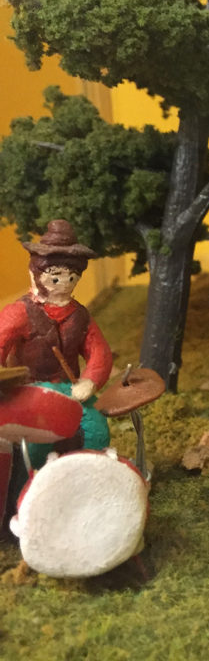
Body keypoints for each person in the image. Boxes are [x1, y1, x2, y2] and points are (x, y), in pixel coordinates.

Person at [0, 220, 113, 517]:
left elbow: (98, 351)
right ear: (36, 274)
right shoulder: (19, 312)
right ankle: (26, 505)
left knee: (95, 429)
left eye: (71, 278)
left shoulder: (80, 315)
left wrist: (90, 381)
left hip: (70, 388)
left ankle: (86, 493)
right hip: (30, 390)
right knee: (37, 442)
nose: (63, 284)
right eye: (55, 277)